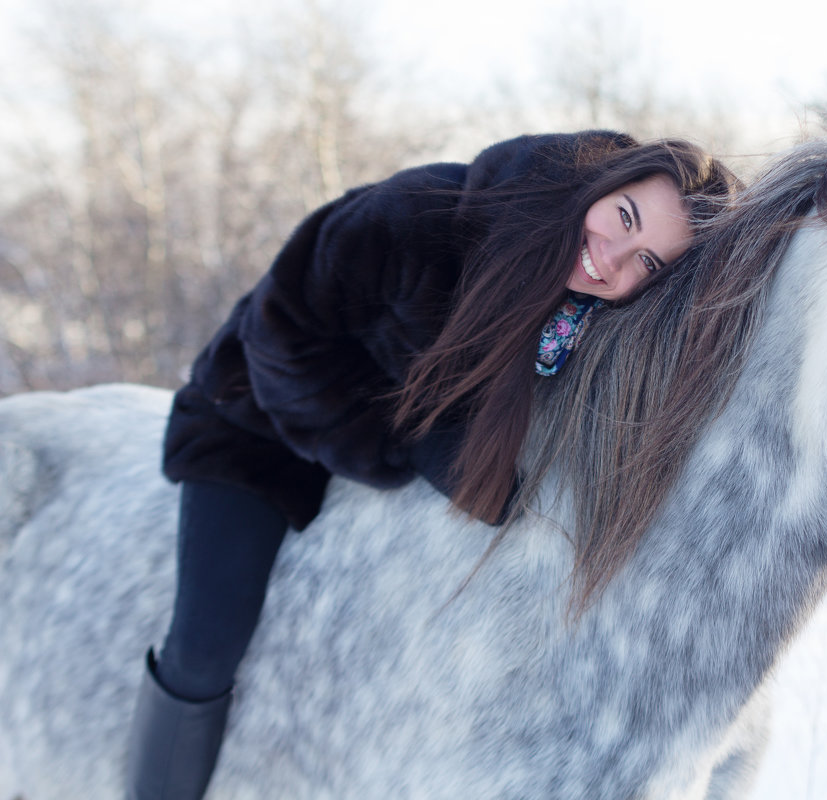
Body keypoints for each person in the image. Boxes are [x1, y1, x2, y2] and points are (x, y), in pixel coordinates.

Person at [125, 130, 736, 799]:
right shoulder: (423, 215)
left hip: (402, 443)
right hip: (254, 424)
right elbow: (280, 337)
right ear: (602, 181)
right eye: (624, 218)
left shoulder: (592, 312)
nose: (613, 259)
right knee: (206, 646)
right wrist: (409, 448)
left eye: (647, 263)